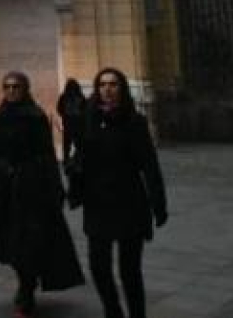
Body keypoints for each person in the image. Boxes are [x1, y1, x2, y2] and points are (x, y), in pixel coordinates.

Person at [0, 71, 85, 317]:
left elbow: (47, 153)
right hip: (4, 186)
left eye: (16, 86)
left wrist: (55, 186)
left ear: (25, 89)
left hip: (31, 187)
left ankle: (26, 288)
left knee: (28, 241)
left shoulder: (35, 116)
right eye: (7, 86)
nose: (11, 90)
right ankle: (24, 280)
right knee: (9, 241)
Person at [76, 67, 167, 318]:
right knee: (98, 266)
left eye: (113, 84)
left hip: (129, 202)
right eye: (102, 85)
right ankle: (113, 311)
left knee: (130, 270)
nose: (107, 89)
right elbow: (81, 157)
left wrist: (158, 203)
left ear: (122, 89)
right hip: (98, 203)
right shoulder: (90, 120)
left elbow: (149, 165)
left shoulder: (135, 122)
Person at [55, 78, 87, 161]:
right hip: (78, 125)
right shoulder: (80, 97)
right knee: (79, 145)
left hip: (68, 124)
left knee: (67, 146)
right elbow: (85, 111)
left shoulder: (64, 97)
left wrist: (64, 115)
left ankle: (67, 161)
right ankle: (78, 161)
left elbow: (59, 109)